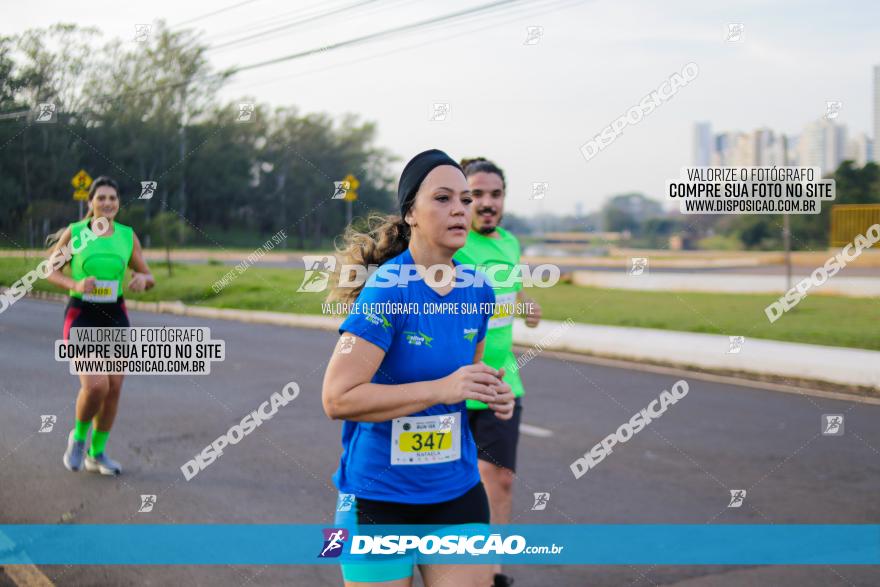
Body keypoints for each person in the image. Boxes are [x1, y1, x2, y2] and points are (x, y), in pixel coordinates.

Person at [322, 149, 516, 587]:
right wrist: (441, 388)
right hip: (377, 497)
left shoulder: (479, 289)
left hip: (456, 491)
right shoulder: (386, 290)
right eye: (443, 199)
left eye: (465, 201)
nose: (460, 210)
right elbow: (337, 398)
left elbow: (466, 376)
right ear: (410, 212)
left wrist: (489, 389)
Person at [454, 158, 542, 587]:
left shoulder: (509, 243)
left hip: (501, 382)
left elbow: (508, 280)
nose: (487, 204)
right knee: (447, 485)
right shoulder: (452, 243)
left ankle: (492, 575)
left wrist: (526, 301)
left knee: (500, 480)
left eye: (495, 194)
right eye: (476, 195)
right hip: (450, 383)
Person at [46, 176, 155, 475]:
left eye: (113, 198)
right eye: (101, 198)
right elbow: (49, 271)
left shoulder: (126, 236)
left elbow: (149, 276)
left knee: (115, 388)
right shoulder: (77, 233)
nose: (107, 203)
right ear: (91, 203)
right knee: (96, 385)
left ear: (118, 204)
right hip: (82, 315)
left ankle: (97, 453)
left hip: (115, 316)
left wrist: (142, 280)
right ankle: (79, 439)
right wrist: (75, 283)